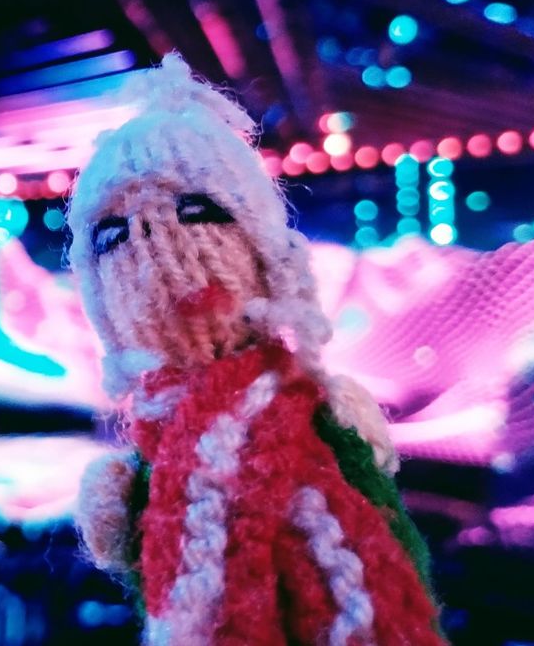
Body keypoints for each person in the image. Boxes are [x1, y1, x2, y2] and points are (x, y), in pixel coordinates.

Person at [70, 54, 445, 645]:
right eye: (114, 236)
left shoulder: (319, 405)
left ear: (261, 247)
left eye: (196, 213)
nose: (158, 254)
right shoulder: (152, 441)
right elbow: (134, 546)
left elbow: (381, 515)